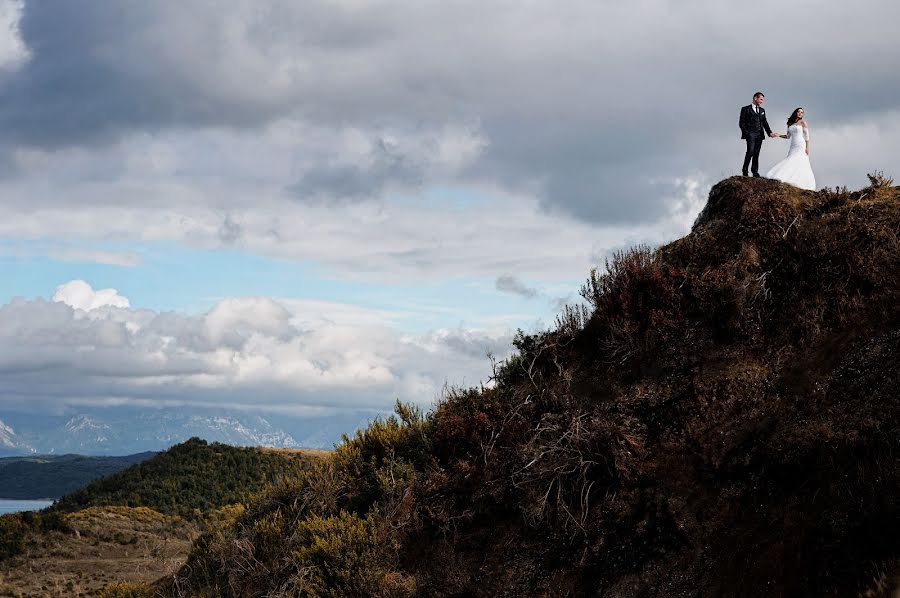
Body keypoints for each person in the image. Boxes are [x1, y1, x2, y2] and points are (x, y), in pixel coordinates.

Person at [765, 107, 816, 191]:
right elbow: (788, 136)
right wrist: (778, 135)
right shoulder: (790, 123)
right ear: (795, 112)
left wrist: (807, 147)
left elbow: (807, 136)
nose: (800, 113)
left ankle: (800, 181)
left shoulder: (803, 122)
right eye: (799, 111)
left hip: (801, 144)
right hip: (793, 145)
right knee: (791, 159)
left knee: (799, 160)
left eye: (802, 112)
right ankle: (788, 176)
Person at [739, 92, 777, 177]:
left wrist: (769, 132)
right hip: (750, 133)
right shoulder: (745, 109)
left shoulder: (762, 110)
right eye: (761, 99)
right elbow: (741, 122)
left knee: (756, 153)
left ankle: (754, 171)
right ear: (755, 98)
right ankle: (745, 170)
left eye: (763, 100)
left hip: (760, 134)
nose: (762, 101)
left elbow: (765, 122)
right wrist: (747, 133)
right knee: (750, 151)